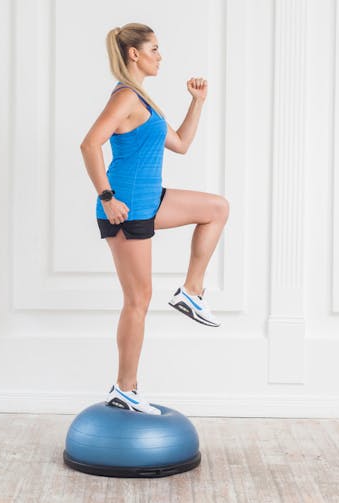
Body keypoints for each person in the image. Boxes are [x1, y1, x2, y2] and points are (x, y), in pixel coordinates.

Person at [80, 23, 230, 415]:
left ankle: (191, 291)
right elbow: (89, 143)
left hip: (150, 201)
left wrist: (197, 101)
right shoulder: (125, 97)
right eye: (155, 49)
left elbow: (180, 143)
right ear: (135, 54)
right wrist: (107, 198)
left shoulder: (142, 98)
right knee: (138, 299)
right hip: (125, 208)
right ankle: (125, 388)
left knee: (216, 208)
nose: (160, 56)